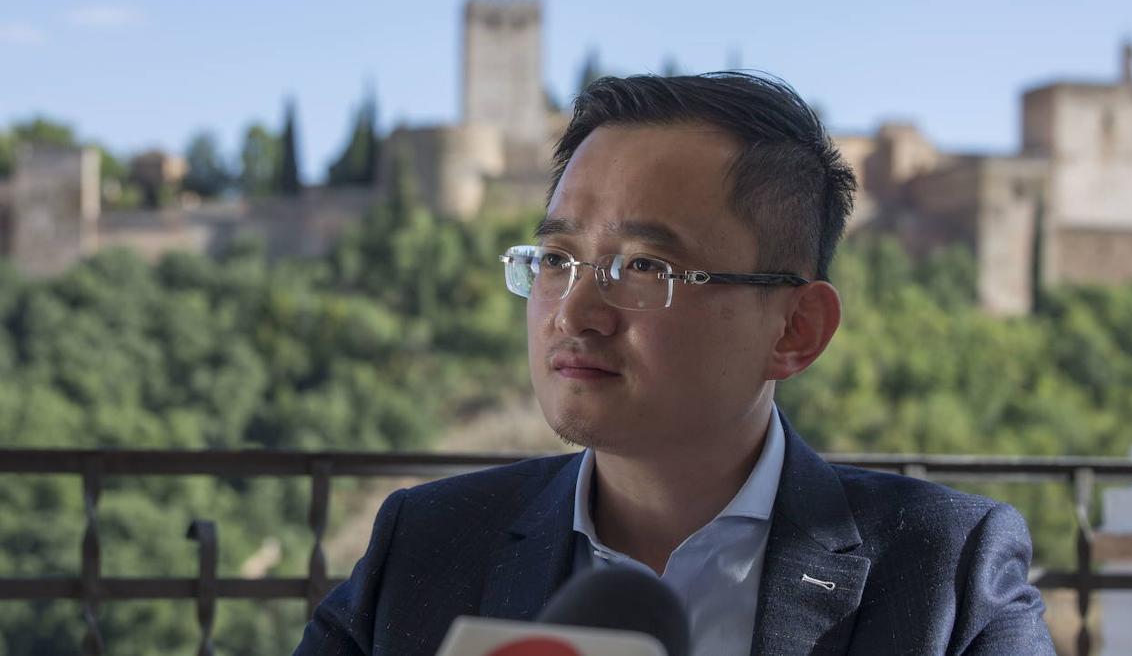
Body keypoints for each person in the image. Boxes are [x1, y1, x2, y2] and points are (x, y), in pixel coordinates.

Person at [293, 73, 1056, 655]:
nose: (573, 312)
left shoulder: (946, 575)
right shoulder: (426, 546)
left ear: (795, 329)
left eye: (645, 267)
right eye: (557, 258)